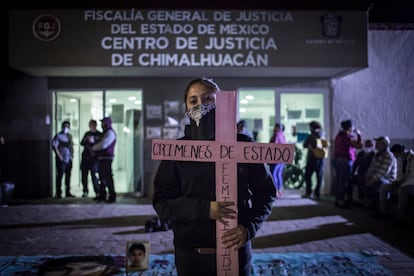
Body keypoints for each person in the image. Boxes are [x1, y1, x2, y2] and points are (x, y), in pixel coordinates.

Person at [152, 78, 276, 276]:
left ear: (222, 103)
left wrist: (249, 228)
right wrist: (205, 209)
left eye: (208, 98)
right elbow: (162, 202)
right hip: (191, 256)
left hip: (237, 252)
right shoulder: (176, 152)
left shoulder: (244, 146)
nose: (200, 105)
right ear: (186, 106)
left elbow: (266, 192)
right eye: (193, 101)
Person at [332, 119, 362, 208]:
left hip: (337, 160)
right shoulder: (347, 137)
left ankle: (339, 200)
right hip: (345, 161)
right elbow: (359, 146)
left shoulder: (339, 135)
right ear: (350, 128)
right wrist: (359, 134)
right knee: (344, 182)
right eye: (352, 127)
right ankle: (341, 201)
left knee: (339, 181)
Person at [365, 136, 397, 216]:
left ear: (384, 145)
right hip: (377, 177)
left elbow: (384, 172)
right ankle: (373, 204)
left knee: (378, 182)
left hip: (388, 179)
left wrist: (372, 179)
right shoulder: (377, 155)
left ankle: (381, 210)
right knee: (361, 180)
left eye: (378, 143)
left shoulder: (389, 156)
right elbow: (371, 167)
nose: (375, 145)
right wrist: (367, 176)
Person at [92, 117, 117, 203]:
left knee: (108, 177)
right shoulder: (105, 133)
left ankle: (111, 195)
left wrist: (93, 148)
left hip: (107, 158)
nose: (102, 125)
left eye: (103, 123)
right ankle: (102, 195)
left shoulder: (110, 133)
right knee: (102, 177)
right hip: (102, 158)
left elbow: (104, 145)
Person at [303, 121, 327, 200]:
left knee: (308, 175)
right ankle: (317, 193)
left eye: (310, 127)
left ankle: (308, 192)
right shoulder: (323, 134)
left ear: (312, 127)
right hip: (321, 158)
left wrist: (310, 146)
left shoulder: (311, 136)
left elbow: (305, 145)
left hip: (312, 158)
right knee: (319, 176)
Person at [52, 121, 75, 198]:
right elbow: (54, 147)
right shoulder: (58, 136)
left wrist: (71, 156)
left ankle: (68, 192)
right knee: (60, 176)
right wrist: (59, 156)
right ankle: (58, 193)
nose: (66, 128)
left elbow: (71, 146)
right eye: (65, 126)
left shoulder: (69, 136)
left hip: (69, 159)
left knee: (68, 176)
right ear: (62, 127)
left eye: (68, 126)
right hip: (61, 159)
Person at [80, 119, 102, 199]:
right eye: (90, 125)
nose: (91, 126)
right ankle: (85, 191)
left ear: (95, 125)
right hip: (85, 157)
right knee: (84, 175)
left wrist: (93, 142)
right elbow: (81, 143)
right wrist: (86, 140)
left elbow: (101, 145)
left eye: (93, 125)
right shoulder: (87, 134)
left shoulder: (99, 134)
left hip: (94, 158)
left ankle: (97, 191)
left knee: (94, 175)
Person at [351, 139, 375, 206]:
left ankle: (368, 200)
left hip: (371, 174)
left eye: (370, 145)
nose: (368, 147)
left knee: (368, 184)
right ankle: (360, 199)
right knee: (359, 181)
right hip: (361, 173)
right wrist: (352, 173)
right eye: (367, 145)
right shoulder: (361, 154)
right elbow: (356, 164)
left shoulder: (374, 155)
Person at [269, 122, 287, 198]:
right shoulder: (283, 135)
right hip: (282, 158)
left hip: (276, 157)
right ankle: (279, 190)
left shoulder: (277, 134)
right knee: (278, 174)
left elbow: (275, 145)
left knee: (273, 174)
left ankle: (275, 190)